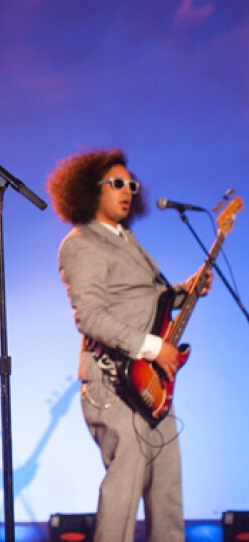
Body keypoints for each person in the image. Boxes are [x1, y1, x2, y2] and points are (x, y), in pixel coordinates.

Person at [47, 149, 211, 541]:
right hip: (114, 383)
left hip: (150, 383)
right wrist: (154, 348)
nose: (127, 191)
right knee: (125, 488)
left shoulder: (127, 239)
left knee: (167, 489)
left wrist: (183, 291)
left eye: (131, 185)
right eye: (116, 183)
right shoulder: (81, 243)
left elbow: (146, 300)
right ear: (90, 190)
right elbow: (91, 316)